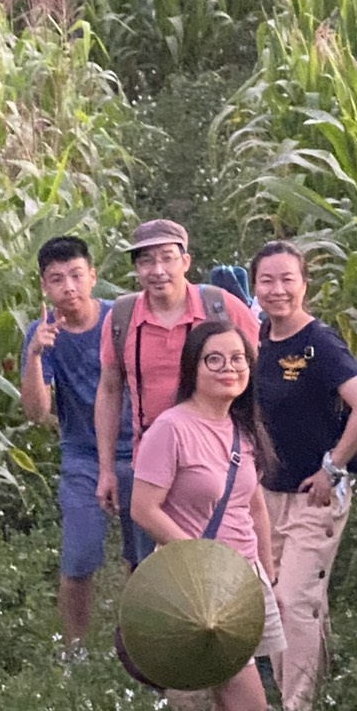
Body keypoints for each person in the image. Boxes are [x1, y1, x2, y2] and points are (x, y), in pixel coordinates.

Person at [131, 316, 287, 711]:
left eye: (237, 359)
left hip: (243, 583)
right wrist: (200, 559)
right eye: (213, 360)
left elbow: (253, 504)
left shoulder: (240, 428)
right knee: (250, 706)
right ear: (192, 369)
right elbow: (144, 508)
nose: (227, 369)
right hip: (201, 588)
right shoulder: (171, 429)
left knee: (227, 701)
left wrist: (267, 569)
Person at [251, 240, 357, 711]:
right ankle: (314, 705)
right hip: (269, 495)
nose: (277, 290)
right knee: (284, 601)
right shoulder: (259, 339)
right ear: (254, 286)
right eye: (267, 280)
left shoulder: (319, 344)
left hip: (315, 497)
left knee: (292, 602)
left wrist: (332, 467)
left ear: (304, 284)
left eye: (287, 279)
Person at [19, 231, 144, 653]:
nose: (68, 287)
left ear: (93, 276)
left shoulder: (120, 320)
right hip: (82, 455)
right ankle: (74, 649)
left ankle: (139, 642)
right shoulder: (44, 334)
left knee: (140, 555)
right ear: (44, 286)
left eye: (76, 275)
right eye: (57, 279)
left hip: (139, 448)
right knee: (79, 557)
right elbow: (37, 413)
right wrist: (35, 355)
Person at [94, 219, 259, 521]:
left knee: (227, 543)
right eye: (146, 261)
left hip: (221, 462)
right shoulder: (121, 318)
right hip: (151, 466)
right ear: (137, 269)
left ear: (186, 261)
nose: (158, 270)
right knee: (155, 548)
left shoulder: (221, 308)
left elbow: (258, 373)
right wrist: (106, 469)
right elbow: (109, 389)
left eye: (167, 258)